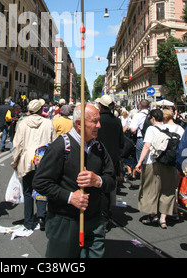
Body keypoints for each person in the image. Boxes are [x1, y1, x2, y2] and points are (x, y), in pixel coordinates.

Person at [33, 103, 116, 258]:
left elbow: (111, 180)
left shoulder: (99, 148)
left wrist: (98, 180)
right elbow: (40, 182)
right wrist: (71, 197)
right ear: (79, 124)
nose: (99, 125)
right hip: (65, 222)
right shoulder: (61, 146)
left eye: (98, 121)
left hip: (94, 220)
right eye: (94, 121)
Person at [11, 99, 56, 231]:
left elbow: (17, 144)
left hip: (27, 160)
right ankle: (42, 217)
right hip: (44, 160)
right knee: (42, 189)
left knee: (27, 191)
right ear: (41, 110)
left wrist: (14, 161)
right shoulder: (48, 123)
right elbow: (54, 143)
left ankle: (28, 221)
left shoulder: (23, 123)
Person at [136, 108, 178, 229]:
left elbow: (147, 146)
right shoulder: (172, 128)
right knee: (167, 190)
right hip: (169, 164)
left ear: (153, 118)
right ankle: (163, 218)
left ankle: (153, 215)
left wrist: (139, 162)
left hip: (153, 163)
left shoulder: (151, 129)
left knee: (150, 189)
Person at [96, 95, 125, 227]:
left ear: (100, 106)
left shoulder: (96, 119)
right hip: (112, 157)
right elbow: (121, 142)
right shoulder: (117, 121)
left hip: (97, 155)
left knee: (96, 185)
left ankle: (98, 213)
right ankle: (106, 214)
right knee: (107, 185)